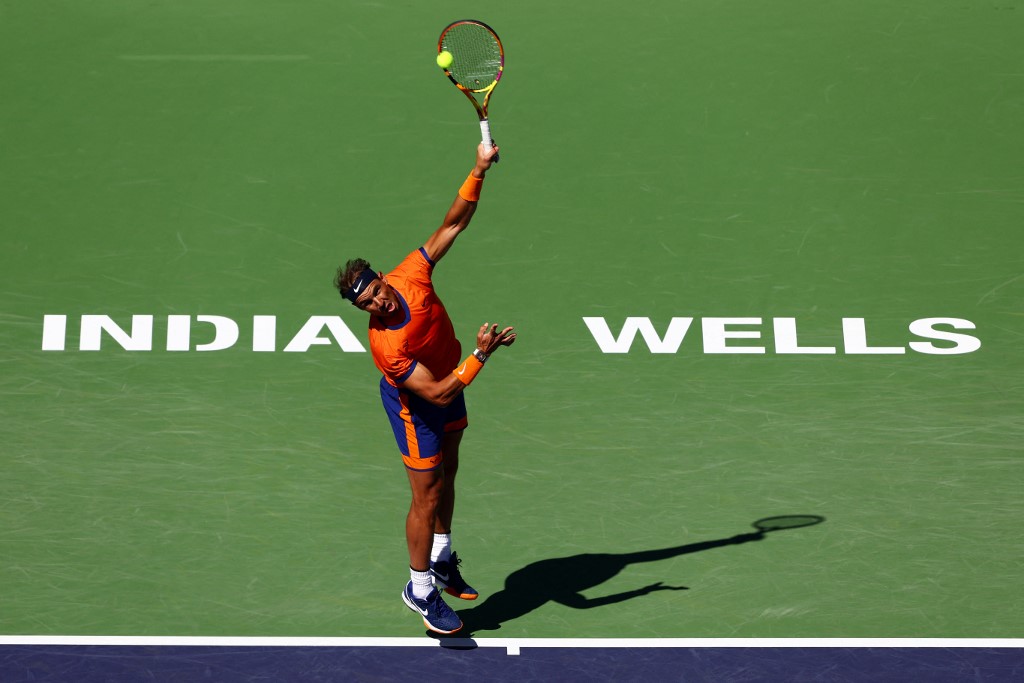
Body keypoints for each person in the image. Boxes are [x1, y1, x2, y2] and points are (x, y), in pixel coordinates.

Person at [333, 142, 515, 635]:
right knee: (426, 496)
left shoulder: (411, 274)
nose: (378, 302)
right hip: (417, 404)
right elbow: (433, 394)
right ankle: (419, 587)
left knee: (451, 469)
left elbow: (454, 222)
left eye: (376, 290)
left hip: (449, 385)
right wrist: (479, 355)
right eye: (367, 303)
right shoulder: (387, 346)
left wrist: (478, 169)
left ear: (383, 278)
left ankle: (441, 556)